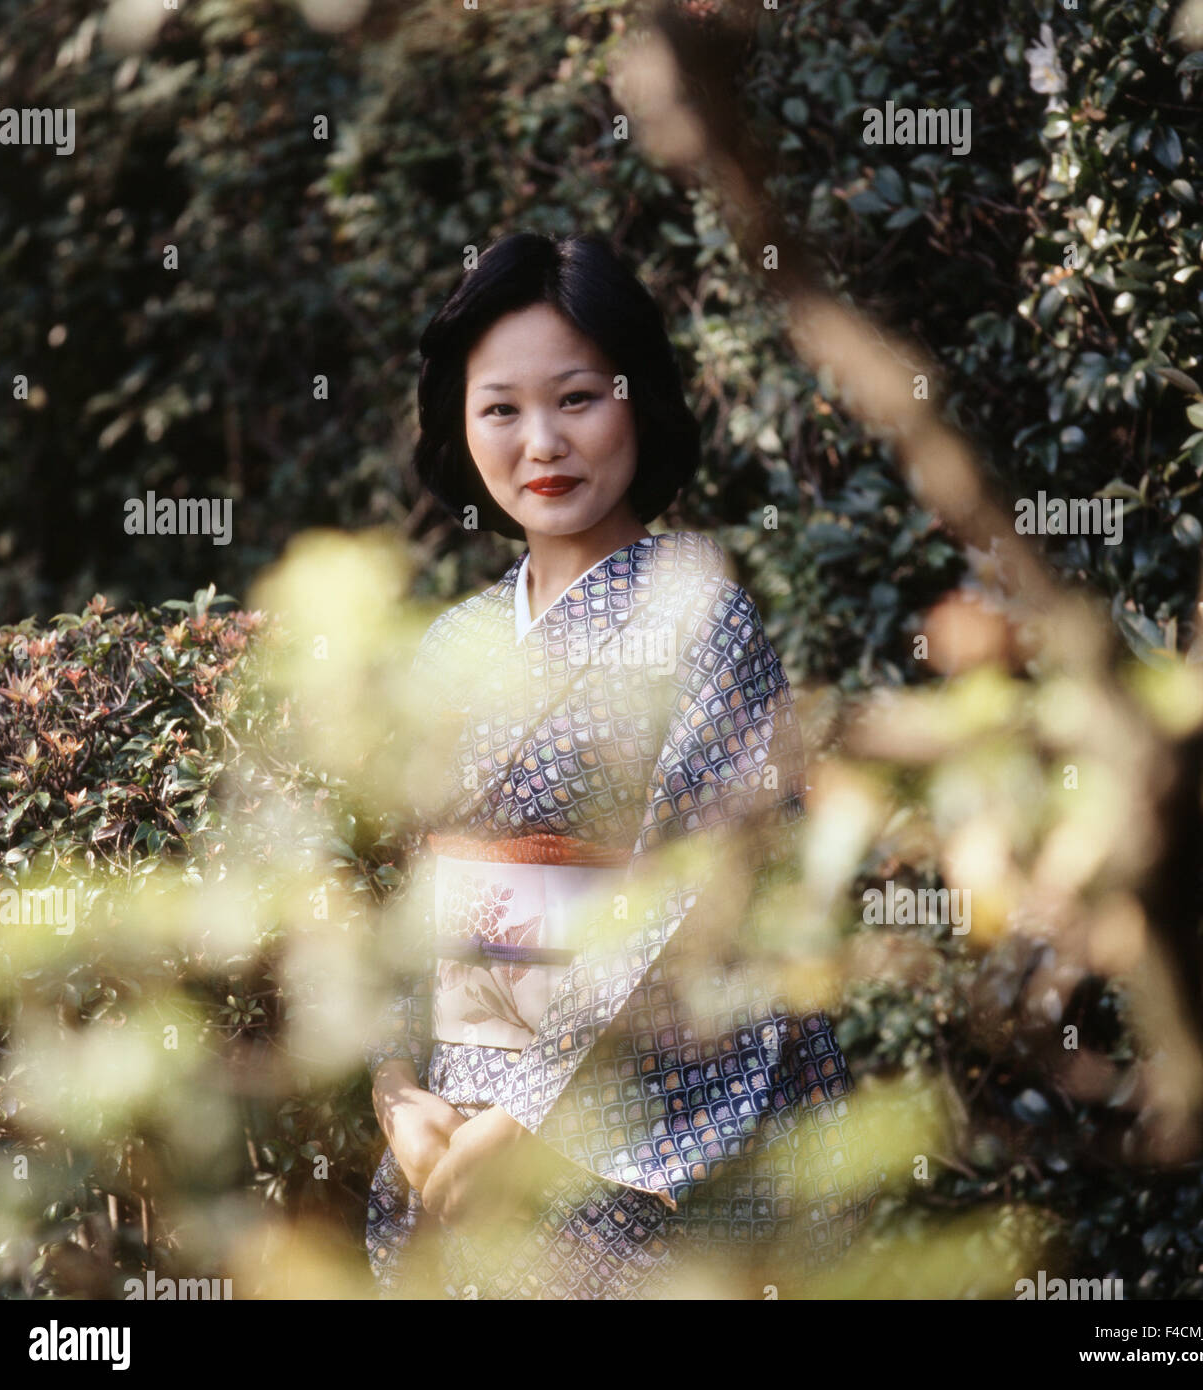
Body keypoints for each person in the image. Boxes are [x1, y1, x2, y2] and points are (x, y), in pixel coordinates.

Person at [364, 231, 881, 1298]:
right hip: (458, 1115)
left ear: (638, 402)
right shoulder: (453, 645)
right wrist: (396, 1086)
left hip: (626, 1135)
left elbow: (695, 900)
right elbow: (409, 900)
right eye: (500, 407)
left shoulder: (700, 618)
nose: (541, 441)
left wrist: (524, 1123)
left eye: (579, 398)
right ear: (460, 428)